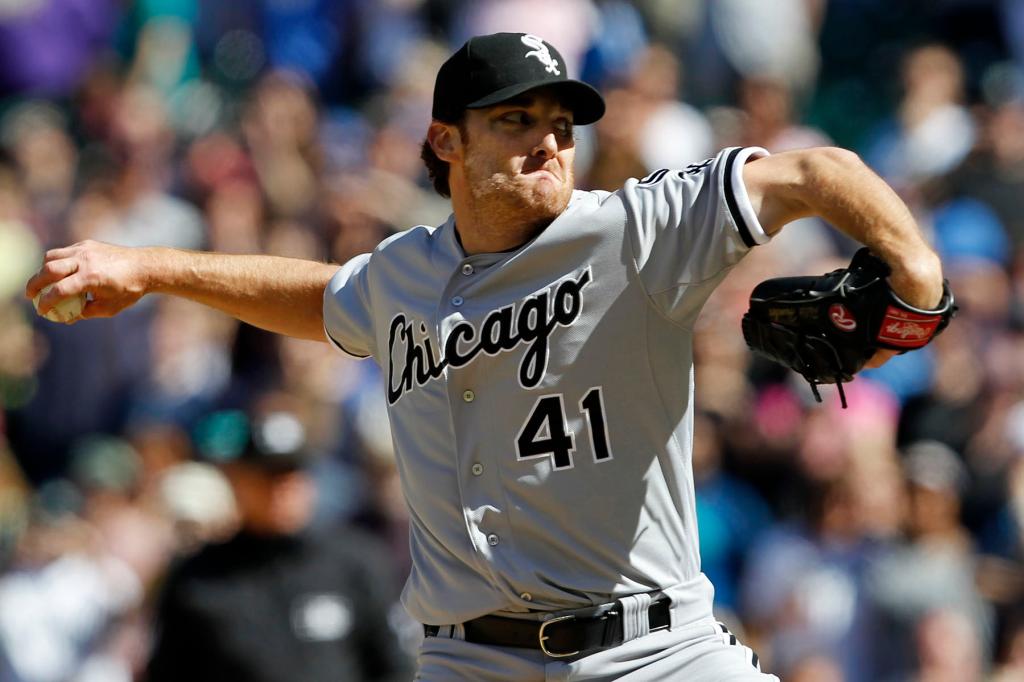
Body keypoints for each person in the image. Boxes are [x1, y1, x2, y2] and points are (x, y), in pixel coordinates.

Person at [28, 32, 945, 681]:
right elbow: (318, 298)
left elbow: (818, 175)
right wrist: (147, 266)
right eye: (515, 120)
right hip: (469, 658)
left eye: (561, 122)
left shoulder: (636, 230)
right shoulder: (403, 275)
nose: (549, 139)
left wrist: (918, 272)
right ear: (445, 142)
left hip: (652, 652)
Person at [146, 409, 413, 682]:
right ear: (239, 482)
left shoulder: (355, 562)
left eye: (291, 474)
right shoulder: (199, 581)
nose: (281, 490)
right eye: (267, 476)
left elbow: (395, 665)